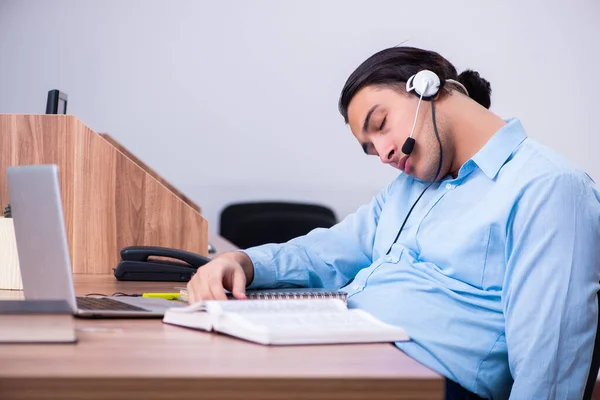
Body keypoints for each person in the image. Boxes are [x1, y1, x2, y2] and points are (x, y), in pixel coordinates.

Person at [187, 46, 600, 399]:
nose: (384, 153)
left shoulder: (548, 188)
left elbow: (548, 369)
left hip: (421, 382)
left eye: (380, 125)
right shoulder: (408, 188)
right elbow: (326, 252)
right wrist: (242, 263)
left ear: (429, 86)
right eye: (370, 149)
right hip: (348, 351)